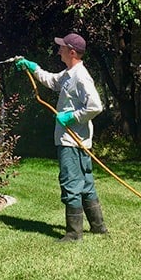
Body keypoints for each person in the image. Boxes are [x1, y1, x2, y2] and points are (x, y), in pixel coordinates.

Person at [16, 32, 108, 242]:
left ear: (72, 52)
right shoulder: (69, 74)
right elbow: (52, 80)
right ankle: (98, 227)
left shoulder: (81, 76)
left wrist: (72, 117)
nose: (58, 51)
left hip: (72, 140)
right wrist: (33, 68)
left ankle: (74, 234)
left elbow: (95, 106)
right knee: (85, 183)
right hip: (77, 140)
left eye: (62, 48)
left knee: (71, 183)